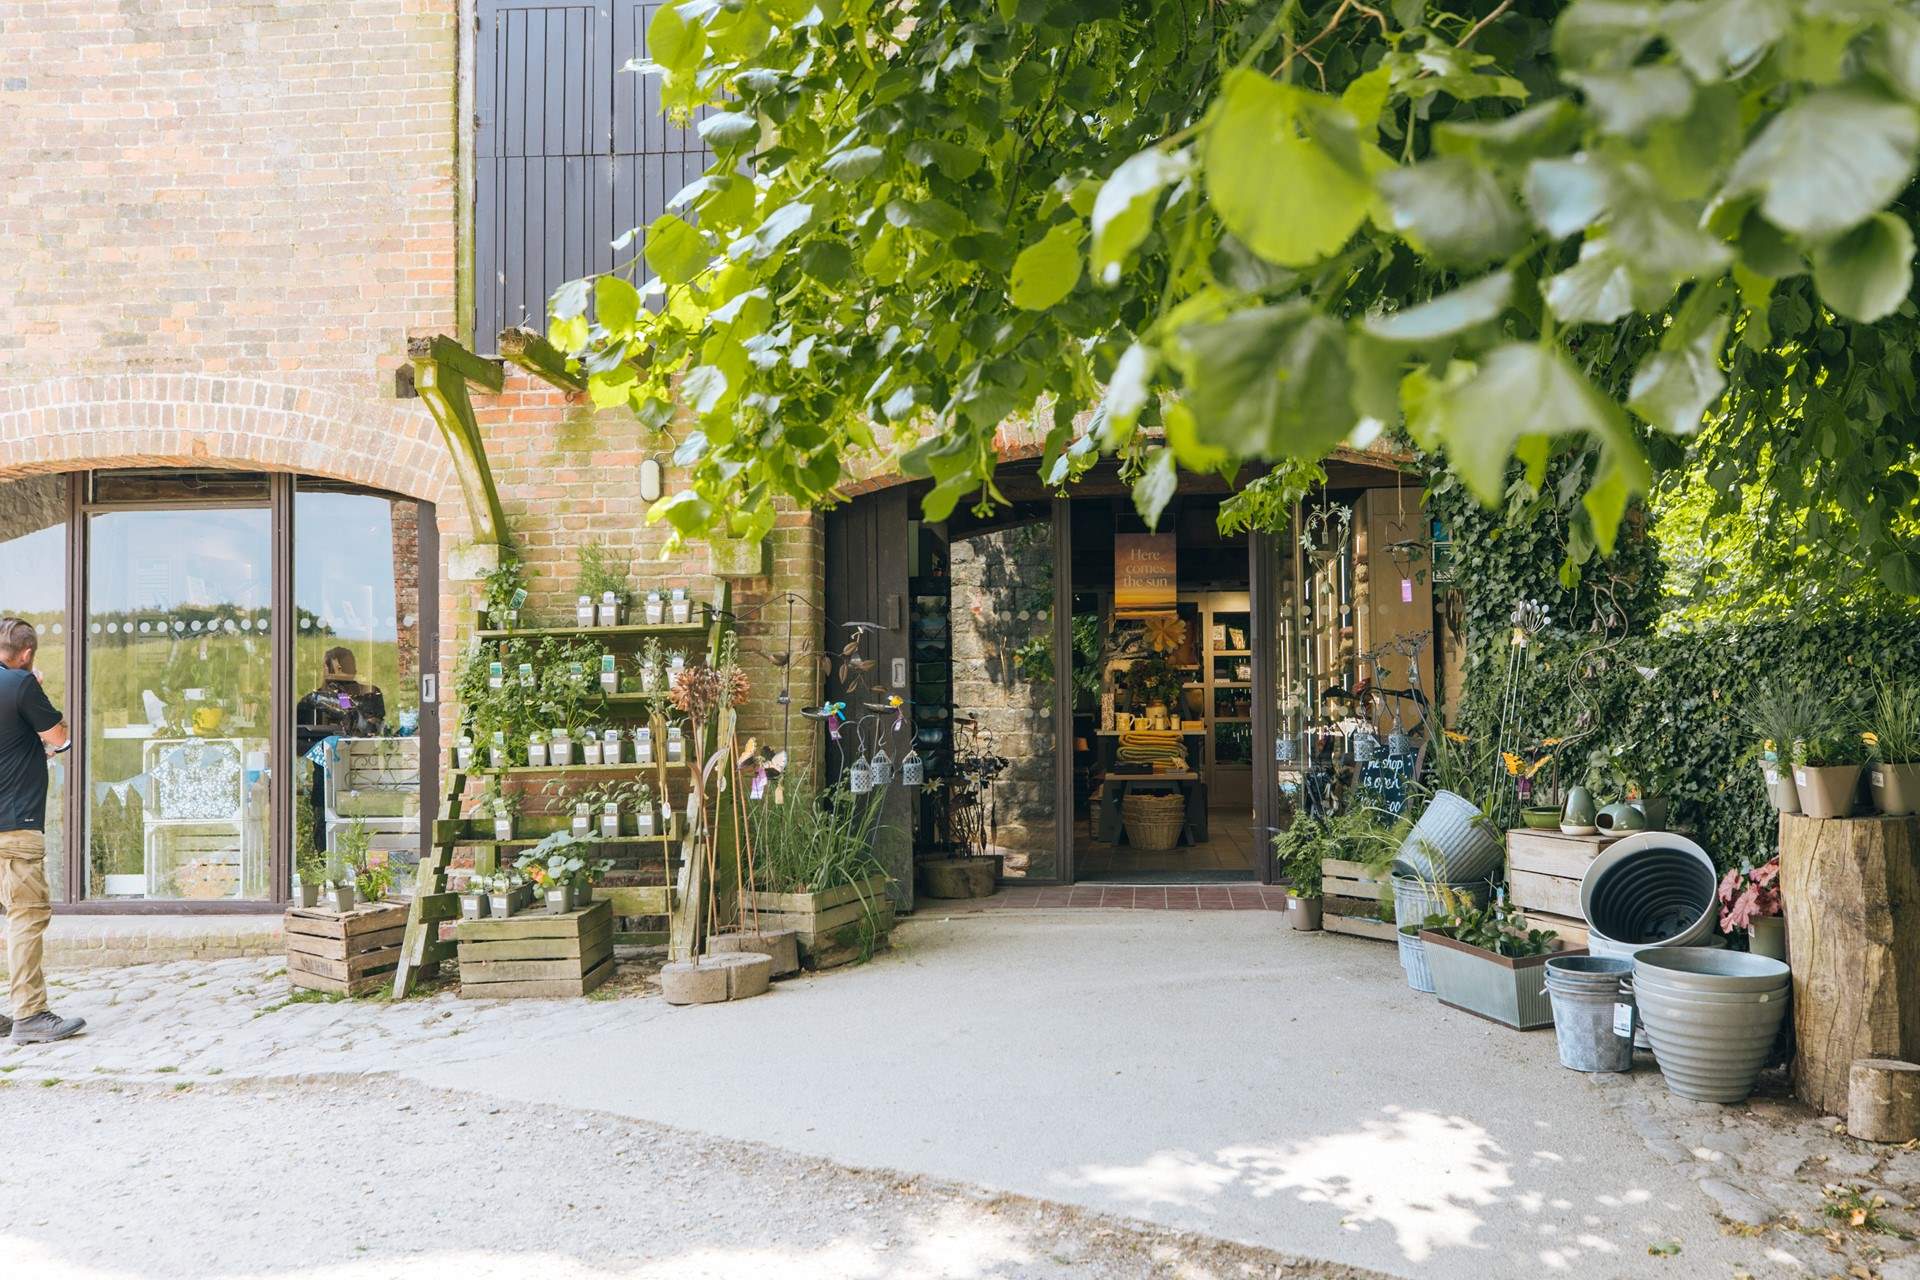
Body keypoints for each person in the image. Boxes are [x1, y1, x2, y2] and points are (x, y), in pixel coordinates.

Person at [0, 618, 85, 1044]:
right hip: (14, 825)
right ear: (28, 653)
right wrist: (33, 684)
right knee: (26, 916)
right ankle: (30, 1014)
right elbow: (60, 738)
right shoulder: (20, 684)